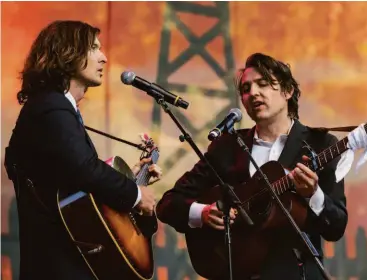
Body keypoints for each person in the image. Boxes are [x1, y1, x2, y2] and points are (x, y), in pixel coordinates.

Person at [156, 53, 348, 279]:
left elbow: (336, 226)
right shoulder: (227, 146)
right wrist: (204, 213)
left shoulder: (320, 144)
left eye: (263, 84)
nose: (253, 93)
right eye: (246, 89)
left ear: (288, 91)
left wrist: (314, 194)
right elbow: (169, 203)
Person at [4, 20, 162, 280]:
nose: (104, 57)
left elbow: (74, 184)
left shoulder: (56, 108)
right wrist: (135, 193)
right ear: (68, 52)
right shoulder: (50, 106)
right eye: (94, 48)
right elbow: (84, 169)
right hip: (59, 268)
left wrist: (127, 180)